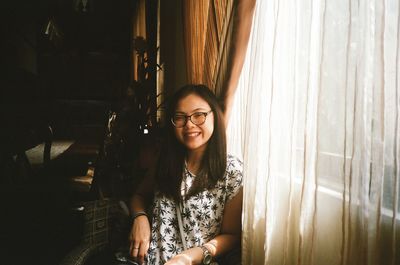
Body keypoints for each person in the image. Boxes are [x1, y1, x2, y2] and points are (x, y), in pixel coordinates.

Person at [128, 84, 243, 265]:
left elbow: (231, 235)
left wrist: (188, 257)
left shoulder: (231, 171)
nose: (189, 124)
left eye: (199, 115)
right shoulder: (165, 160)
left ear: (215, 116)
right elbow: (139, 195)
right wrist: (140, 218)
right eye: (180, 117)